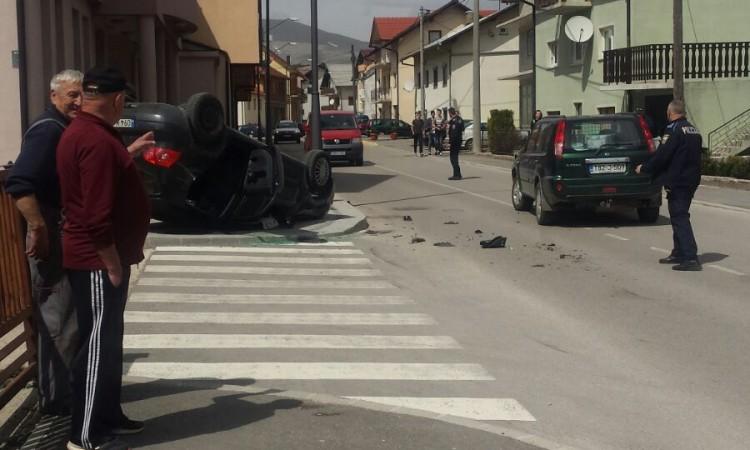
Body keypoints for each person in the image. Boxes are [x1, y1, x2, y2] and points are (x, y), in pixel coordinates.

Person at [57, 67, 151, 450]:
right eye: (123, 101)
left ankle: (109, 416)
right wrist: (112, 263)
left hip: (101, 257)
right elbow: (96, 215)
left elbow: (99, 176)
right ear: (116, 100)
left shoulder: (92, 133)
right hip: (97, 260)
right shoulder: (93, 139)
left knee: (109, 340)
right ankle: (83, 434)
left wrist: (129, 153)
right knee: (97, 344)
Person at [636, 100, 702, 271]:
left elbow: (663, 155)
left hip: (678, 180)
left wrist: (645, 167)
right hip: (690, 179)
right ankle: (679, 252)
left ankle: (690, 257)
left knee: (679, 217)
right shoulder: (693, 129)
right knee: (677, 215)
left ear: (670, 113)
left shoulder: (673, 130)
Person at [447, 107, 464, 180]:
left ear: (450, 113)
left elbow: (453, 130)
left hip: (455, 141)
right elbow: (463, 129)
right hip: (457, 140)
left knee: (453, 158)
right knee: (454, 158)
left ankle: (456, 175)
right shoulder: (460, 119)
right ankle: (458, 174)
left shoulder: (455, 120)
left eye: (449, 113)